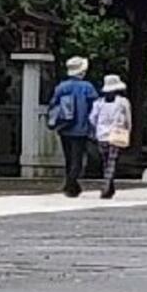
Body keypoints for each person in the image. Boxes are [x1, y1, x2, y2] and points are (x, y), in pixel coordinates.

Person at [45, 57, 98, 197]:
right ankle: (70, 184)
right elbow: (95, 107)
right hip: (81, 128)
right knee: (77, 159)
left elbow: (53, 104)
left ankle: (72, 186)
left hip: (64, 126)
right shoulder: (88, 87)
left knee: (69, 158)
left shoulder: (61, 86)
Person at [89, 74, 133, 199]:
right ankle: (107, 186)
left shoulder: (98, 103)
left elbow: (92, 119)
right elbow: (128, 119)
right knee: (111, 162)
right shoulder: (123, 102)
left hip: (102, 135)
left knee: (107, 162)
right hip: (117, 134)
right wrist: (128, 130)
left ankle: (107, 187)